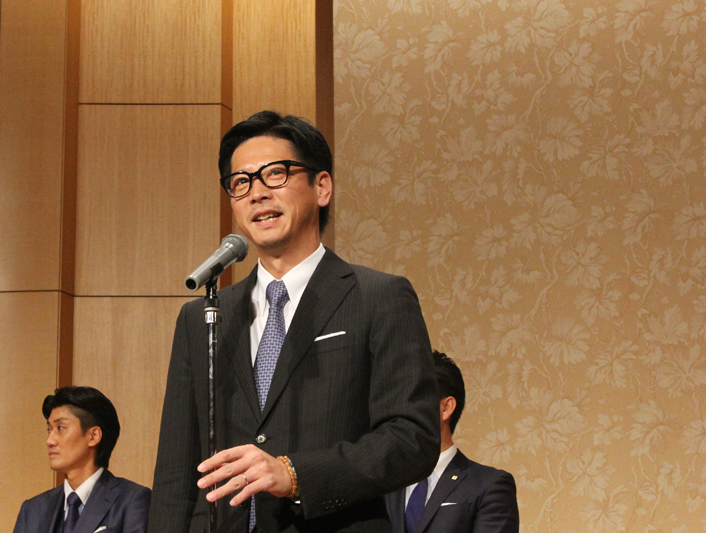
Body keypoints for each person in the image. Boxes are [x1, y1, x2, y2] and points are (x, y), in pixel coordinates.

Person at [148, 110, 441, 532]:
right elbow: (175, 473)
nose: (256, 193)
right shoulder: (204, 317)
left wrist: (295, 474)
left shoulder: (378, 296)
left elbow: (413, 439)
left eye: (275, 174)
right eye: (240, 182)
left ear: (321, 187)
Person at [385, 351, 519, 533]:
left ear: (446, 408)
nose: (399, 410)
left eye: (412, 399)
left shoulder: (489, 486)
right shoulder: (384, 486)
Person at [14, 386, 151, 533]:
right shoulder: (32, 510)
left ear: (93, 436)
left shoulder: (131, 500)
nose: (50, 441)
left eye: (61, 428)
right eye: (49, 430)